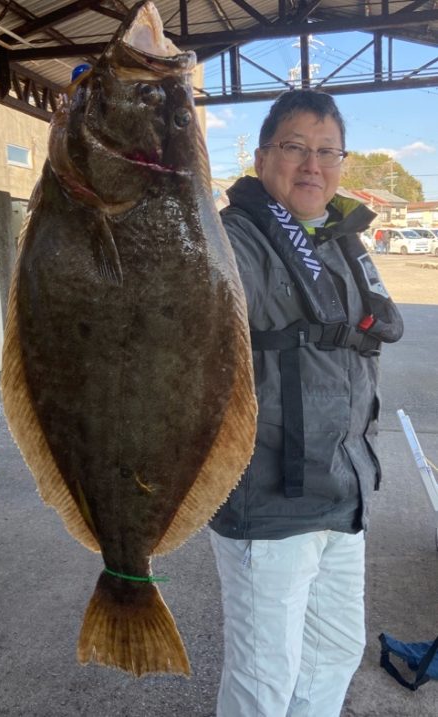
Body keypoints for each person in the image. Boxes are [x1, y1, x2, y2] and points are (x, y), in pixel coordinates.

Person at [209, 90, 404, 717]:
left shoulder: (340, 242)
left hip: (341, 492)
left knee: (335, 651)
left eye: (328, 152)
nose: (312, 165)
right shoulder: (228, 242)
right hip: (267, 502)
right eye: (295, 147)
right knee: (265, 677)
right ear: (263, 155)